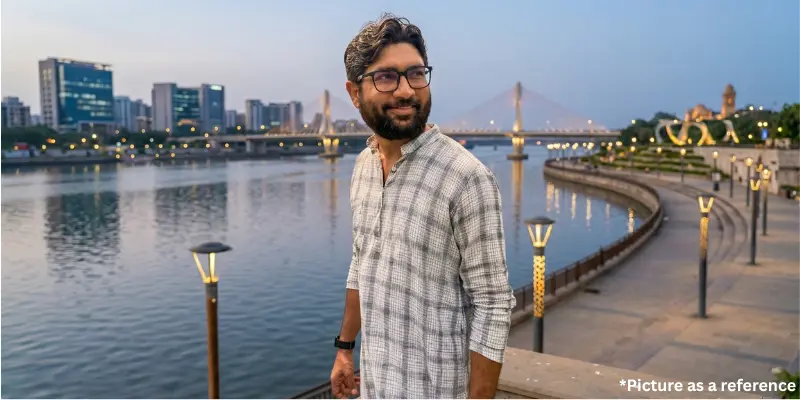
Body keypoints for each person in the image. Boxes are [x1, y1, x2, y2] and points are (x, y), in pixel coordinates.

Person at [330, 13, 516, 399]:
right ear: (354, 93)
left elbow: (493, 306)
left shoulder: (466, 178)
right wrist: (345, 349)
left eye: (415, 73)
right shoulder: (363, 166)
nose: (405, 91)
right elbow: (361, 262)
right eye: (386, 77)